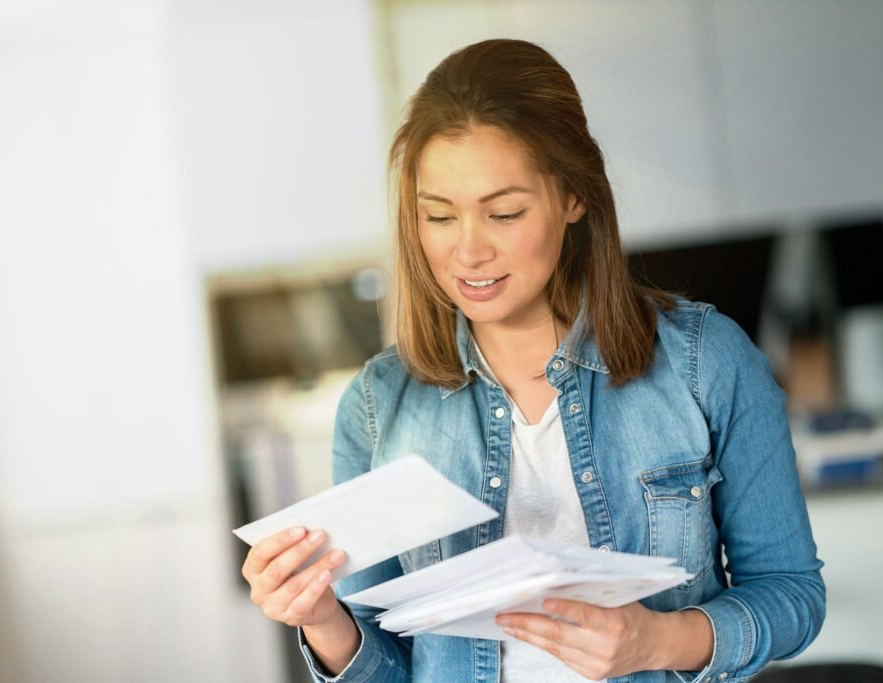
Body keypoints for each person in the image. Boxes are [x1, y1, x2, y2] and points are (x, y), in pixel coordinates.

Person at [240, 38, 825, 682]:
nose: (468, 252)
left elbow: (793, 594)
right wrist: (321, 618)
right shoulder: (377, 408)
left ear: (574, 197)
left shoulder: (704, 363)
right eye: (438, 216)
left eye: (505, 212)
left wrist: (657, 641)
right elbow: (391, 671)